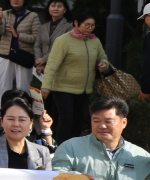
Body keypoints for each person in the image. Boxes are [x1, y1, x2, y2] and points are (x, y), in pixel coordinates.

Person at [40, 9, 110, 143]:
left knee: (79, 120)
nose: (90, 28)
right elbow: (52, 65)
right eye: (87, 25)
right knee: (66, 119)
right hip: (63, 88)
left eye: (92, 25)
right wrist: (46, 86)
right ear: (76, 23)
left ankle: (75, 147)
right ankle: (60, 146)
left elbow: (102, 57)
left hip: (85, 89)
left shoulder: (94, 41)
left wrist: (103, 64)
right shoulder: (63, 40)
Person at [0, 0, 40, 104]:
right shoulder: (4, 14)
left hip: (23, 55)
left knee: (23, 87)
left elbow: (36, 38)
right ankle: (3, 110)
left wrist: (17, 35)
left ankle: (24, 110)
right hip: (5, 54)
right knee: (4, 85)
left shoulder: (33, 16)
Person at [34, 0, 73, 77]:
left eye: (59, 6)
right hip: (42, 66)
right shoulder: (43, 27)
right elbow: (37, 45)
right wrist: (39, 62)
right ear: (48, 9)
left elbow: (63, 47)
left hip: (60, 65)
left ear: (65, 10)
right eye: (53, 6)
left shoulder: (69, 27)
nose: (56, 8)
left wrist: (44, 59)